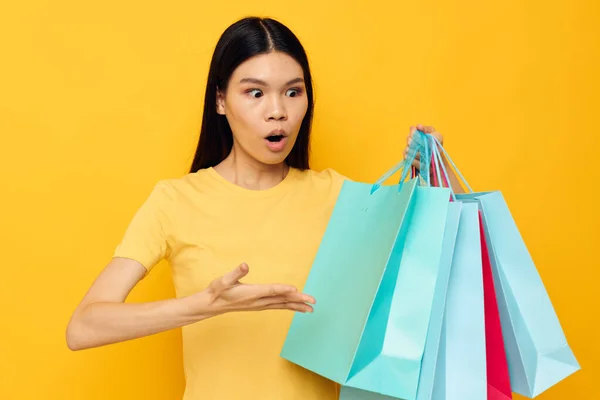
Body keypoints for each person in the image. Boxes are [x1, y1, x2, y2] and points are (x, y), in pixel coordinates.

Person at [66, 16, 461, 400]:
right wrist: (202, 306)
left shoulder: (337, 195)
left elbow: (440, 266)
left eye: (293, 92)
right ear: (220, 100)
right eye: (255, 93)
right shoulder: (175, 201)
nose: (278, 111)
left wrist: (434, 170)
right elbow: (83, 327)